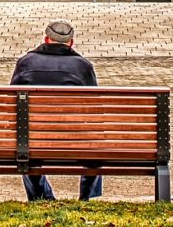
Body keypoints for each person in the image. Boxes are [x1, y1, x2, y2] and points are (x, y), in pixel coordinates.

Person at [10, 20, 103, 202]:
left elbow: (12, 102)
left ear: (46, 39)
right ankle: (86, 198)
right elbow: (94, 110)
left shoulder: (26, 63)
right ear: (71, 43)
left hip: (34, 137)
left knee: (24, 145)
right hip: (74, 137)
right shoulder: (83, 66)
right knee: (95, 142)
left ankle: (42, 196)